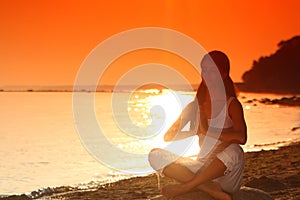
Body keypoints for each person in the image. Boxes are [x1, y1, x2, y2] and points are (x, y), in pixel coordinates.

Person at [148, 50, 247, 200]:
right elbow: (168, 136)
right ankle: (209, 189)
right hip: (201, 168)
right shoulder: (195, 107)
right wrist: (194, 131)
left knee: (236, 150)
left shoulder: (232, 105)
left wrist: (207, 131)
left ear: (224, 74)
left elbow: (242, 137)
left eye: (213, 70)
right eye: (204, 70)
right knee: (155, 155)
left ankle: (187, 187)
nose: (207, 74)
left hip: (226, 175)